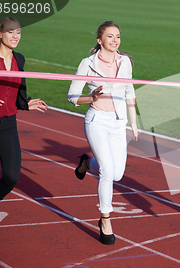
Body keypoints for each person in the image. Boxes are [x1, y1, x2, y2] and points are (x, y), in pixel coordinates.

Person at [67, 21, 138, 245]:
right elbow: (72, 96)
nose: (115, 40)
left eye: (118, 36)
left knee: (117, 174)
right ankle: (105, 219)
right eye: (110, 36)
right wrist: (92, 98)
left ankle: (87, 164)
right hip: (97, 120)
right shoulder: (87, 63)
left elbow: (129, 90)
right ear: (100, 40)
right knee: (107, 171)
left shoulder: (125, 61)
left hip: (119, 123)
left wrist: (134, 124)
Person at [0, 17, 48, 235]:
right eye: (10, 32)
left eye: (18, 33)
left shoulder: (19, 59)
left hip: (8, 123)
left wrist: (26, 103)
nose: (15, 37)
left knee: (12, 175)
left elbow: (17, 90)